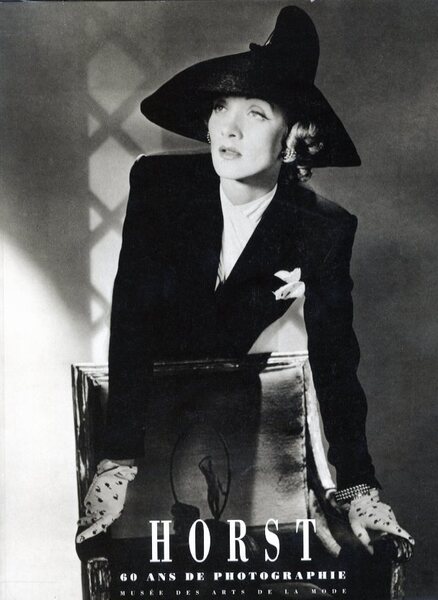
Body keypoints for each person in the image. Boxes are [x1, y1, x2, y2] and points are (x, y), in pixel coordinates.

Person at [76, 6, 413, 560]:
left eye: (255, 113)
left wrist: (359, 488)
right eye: (220, 107)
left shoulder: (323, 228)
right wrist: (115, 462)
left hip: (246, 409)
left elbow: (335, 359)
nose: (227, 128)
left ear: (293, 140)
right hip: (141, 403)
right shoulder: (160, 186)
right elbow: (131, 315)